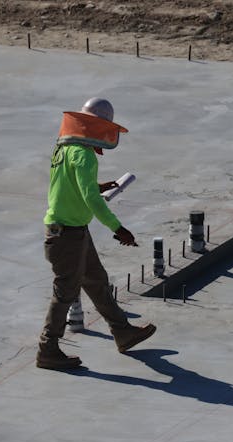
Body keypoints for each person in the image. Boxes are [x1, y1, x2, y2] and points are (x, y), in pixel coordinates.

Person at [37, 97, 156, 370]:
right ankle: (48, 349)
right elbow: (90, 199)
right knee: (65, 291)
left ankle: (122, 331)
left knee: (96, 280)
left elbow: (74, 186)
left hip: (70, 231)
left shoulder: (64, 149)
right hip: (67, 234)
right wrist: (118, 228)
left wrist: (98, 185)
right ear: (97, 127)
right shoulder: (84, 155)